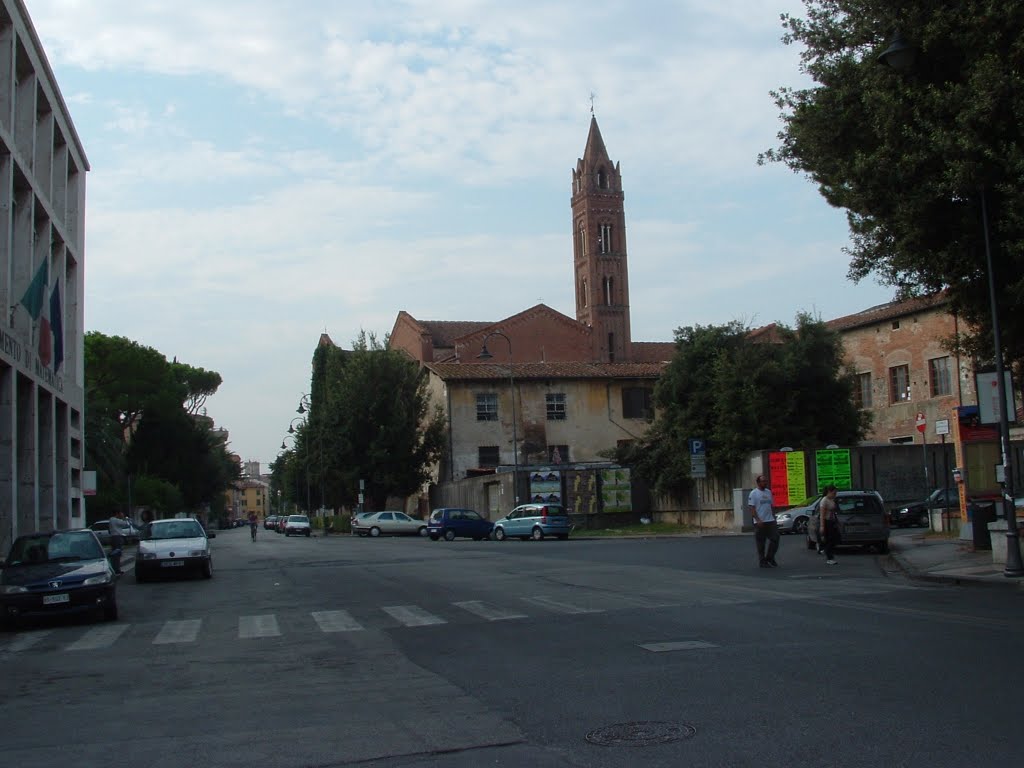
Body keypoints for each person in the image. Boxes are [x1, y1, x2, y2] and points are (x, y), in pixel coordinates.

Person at [748, 474, 780, 568]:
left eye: (766, 481)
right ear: (758, 483)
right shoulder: (754, 493)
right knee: (761, 542)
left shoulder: (768, 492)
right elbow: (751, 508)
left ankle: (770, 557)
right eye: (763, 481)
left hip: (770, 520)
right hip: (760, 521)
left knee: (775, 538)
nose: (765, 483)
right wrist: (757, 520)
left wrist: (774, 517)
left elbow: (771, 506)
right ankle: (762, 561)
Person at [819, 484, 840, 565]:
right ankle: (829, 557)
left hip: (832, 521)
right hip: (827, 521)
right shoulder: (824, 501)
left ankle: (825, 550)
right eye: (834, 493)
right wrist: (822, 526)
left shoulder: (832, 500)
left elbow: (834, 511)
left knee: (835, 538)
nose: (835, 495)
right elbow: (822, 515)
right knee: (829, 539)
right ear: (829, 492)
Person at [108, 510, 130, 574]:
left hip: (114, 537)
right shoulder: (115, 520)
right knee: (117, 554)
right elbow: (126, 524)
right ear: (117, 513)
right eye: (121, 513)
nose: (122, 514)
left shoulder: (111, 520)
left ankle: (116, 569)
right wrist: (124, 518)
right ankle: (116, 569)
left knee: (115, 554)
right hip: (117, 537)